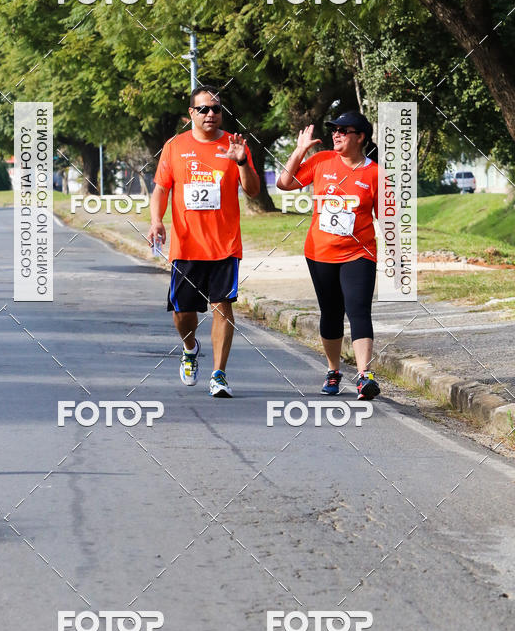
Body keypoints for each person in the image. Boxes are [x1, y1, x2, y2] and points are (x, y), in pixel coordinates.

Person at [148, 85, 260, 397]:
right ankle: (190, 347)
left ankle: (219, 374)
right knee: (183, 312)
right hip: (186, 246)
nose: (211, 114)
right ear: (191, 115)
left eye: (216, 109)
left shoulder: (234, 145)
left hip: (224, 244)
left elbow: (252, 191)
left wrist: (242, 162)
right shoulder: (175, 146)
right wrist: (157, 221)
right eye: (204, 109)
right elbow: (161, 188)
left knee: (223, 307)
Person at [277, 110, 380, 401]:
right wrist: (299, 151)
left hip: (359, 253)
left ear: (360, 137)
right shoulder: (322, 161)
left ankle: (364, 376)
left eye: (343, 130)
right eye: (334, 129)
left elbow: (388, 217)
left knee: (359, 310)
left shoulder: (375, 173)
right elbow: (284, 183)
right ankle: (333, 370)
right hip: (320, 252)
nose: (336, 134)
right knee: (331, 314)